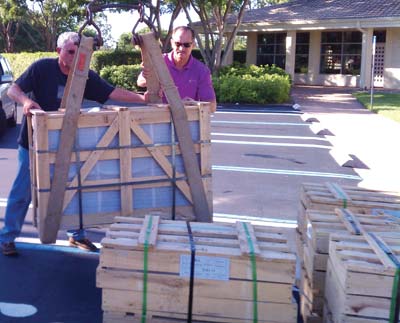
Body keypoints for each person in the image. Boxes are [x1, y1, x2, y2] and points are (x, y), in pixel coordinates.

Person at [0, 31, 148, 256]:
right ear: (59, 51)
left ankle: (76, 235)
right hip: (33, 143)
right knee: (24, 191)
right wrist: (26, 101)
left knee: (72, 188)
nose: (76, 56)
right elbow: (13, 89)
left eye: (80, 52)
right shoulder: (42, 69)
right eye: (71, 51)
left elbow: (111, 92)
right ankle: (8, 237)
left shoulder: (84, 75)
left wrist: (143, 98)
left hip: (65, 143)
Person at [137, 26, 216, 113]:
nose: (181, 49)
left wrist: (194, 104)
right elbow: (140, 82)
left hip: (186, 122)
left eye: (186, 45)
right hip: (159, 118)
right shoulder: (159, 61)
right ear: (172, 43)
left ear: (193, 45)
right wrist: (148, 77)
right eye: (178, 44)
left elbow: (212, 107)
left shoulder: (202, 70)